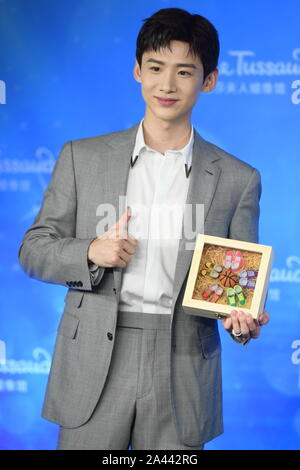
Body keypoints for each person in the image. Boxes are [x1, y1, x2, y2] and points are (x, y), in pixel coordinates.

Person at [18, 7, 270, 450]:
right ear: (138, 71)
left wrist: (241, 321)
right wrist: (90, 252)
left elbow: (237, 287)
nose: (167, 85)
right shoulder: (82, 157)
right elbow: (33, 249)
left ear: (208, 80)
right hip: (94, 355)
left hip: (183, 362)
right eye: (155, 68)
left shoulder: (237, 178)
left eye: (184, 72)